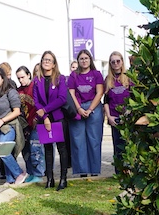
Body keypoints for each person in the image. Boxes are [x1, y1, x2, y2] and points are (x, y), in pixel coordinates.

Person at [32, 50, 70, 190]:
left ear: (54, 64)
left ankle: (63, 179)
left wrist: (45, 111)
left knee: (61, 149)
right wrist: (45, 117)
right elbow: (36, 101)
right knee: (47, 149)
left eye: (49, 60)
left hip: (58, 118)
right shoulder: (37, 81)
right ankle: (49, 179)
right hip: (44, 119)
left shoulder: (60, 79)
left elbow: (62, 99)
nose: (46, 62)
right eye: (44, 60)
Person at [67, 49, 105, 177]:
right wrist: (79, 109)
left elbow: (100, 92)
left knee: (94, 140)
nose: (84, 60)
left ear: (90, 60)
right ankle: (82, 171)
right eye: (81, 58)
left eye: (86, 58)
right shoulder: (74, 75)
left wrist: (89, 109)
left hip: (94, 108)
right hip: (78, 108)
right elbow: (71, 93)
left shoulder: (97, 74)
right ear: (78, 60)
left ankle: (94, 171)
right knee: (78, 141)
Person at [0, 67, 26, 185]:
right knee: (4, 152)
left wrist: (2, 121)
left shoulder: (11, 92)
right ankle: (10, 179)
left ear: (3, 78)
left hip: (9, 126)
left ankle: (19, 173)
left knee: (3, 151)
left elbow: (17, 111)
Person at [16, 65, 45, 182]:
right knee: (26, 151)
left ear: (29, 75)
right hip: (25, 125)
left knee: (36, 149)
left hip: (37, 123)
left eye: (23, 77)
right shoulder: (18, 91)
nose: (21, 80)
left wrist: (38, 118)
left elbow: (42, 104)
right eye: (18, 78)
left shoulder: (36, 87)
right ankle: (31, 173)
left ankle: (39, 174)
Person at [103, 51, 131, 165]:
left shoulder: (129, 78)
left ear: (122, 62)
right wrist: (109, 117)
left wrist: (129, 112)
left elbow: (134, 98)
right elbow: (106, 101)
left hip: (128, 117)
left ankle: (129, 170)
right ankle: (119, 171)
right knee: (117, 146)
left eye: (118, 61)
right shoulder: (108, 79)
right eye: (113, 62)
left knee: (128, 145)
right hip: (114, 118)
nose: (115, 63)